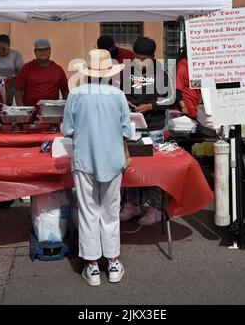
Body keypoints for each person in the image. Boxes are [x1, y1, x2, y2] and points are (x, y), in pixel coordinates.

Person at [61, 49, 132, 286]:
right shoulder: (118, 95)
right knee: (110, 210)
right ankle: (113, 262)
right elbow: (127, 130)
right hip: (112, 160)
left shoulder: (77, 94)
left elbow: (67, 130)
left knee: (88, 210)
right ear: (109, 74)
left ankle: (92, 266)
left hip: (85, 159)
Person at [120, 37, 174, 225]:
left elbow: (170, 99)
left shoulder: (163, 74)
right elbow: (120, 93)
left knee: (153, 171)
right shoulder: (128, 73)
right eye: (137, 57)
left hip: (154, 129)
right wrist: (123, 102)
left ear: (153, 57)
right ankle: (132, 205)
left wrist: (150, 106)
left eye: (144, 58)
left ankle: (156, 208)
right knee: (130, 168)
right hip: (132, 127)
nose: (140, 62)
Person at [14, 39, 69, 106]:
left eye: (46, 49)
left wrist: (66, 108)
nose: (43, 52)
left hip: (52, 111)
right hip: (31, 112)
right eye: (40, 50)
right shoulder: (26, 68)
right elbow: (17, 90)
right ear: (35, 52)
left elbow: (65, 91)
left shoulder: (58, 69)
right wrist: (22, 109)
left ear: (50, 51)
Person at [0, 34, 24, 105]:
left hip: (14, 88)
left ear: (9, 46)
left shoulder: (16, 55)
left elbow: (22, 72)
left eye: (4, 49)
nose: (1, 51)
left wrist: (14, 76)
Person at [175, 47, 200, 119]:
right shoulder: (182, 68)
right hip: (186, 108)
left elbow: (194, 86)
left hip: (193, 106)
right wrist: (183, 107)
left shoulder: (191, 67)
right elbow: (177, 90)